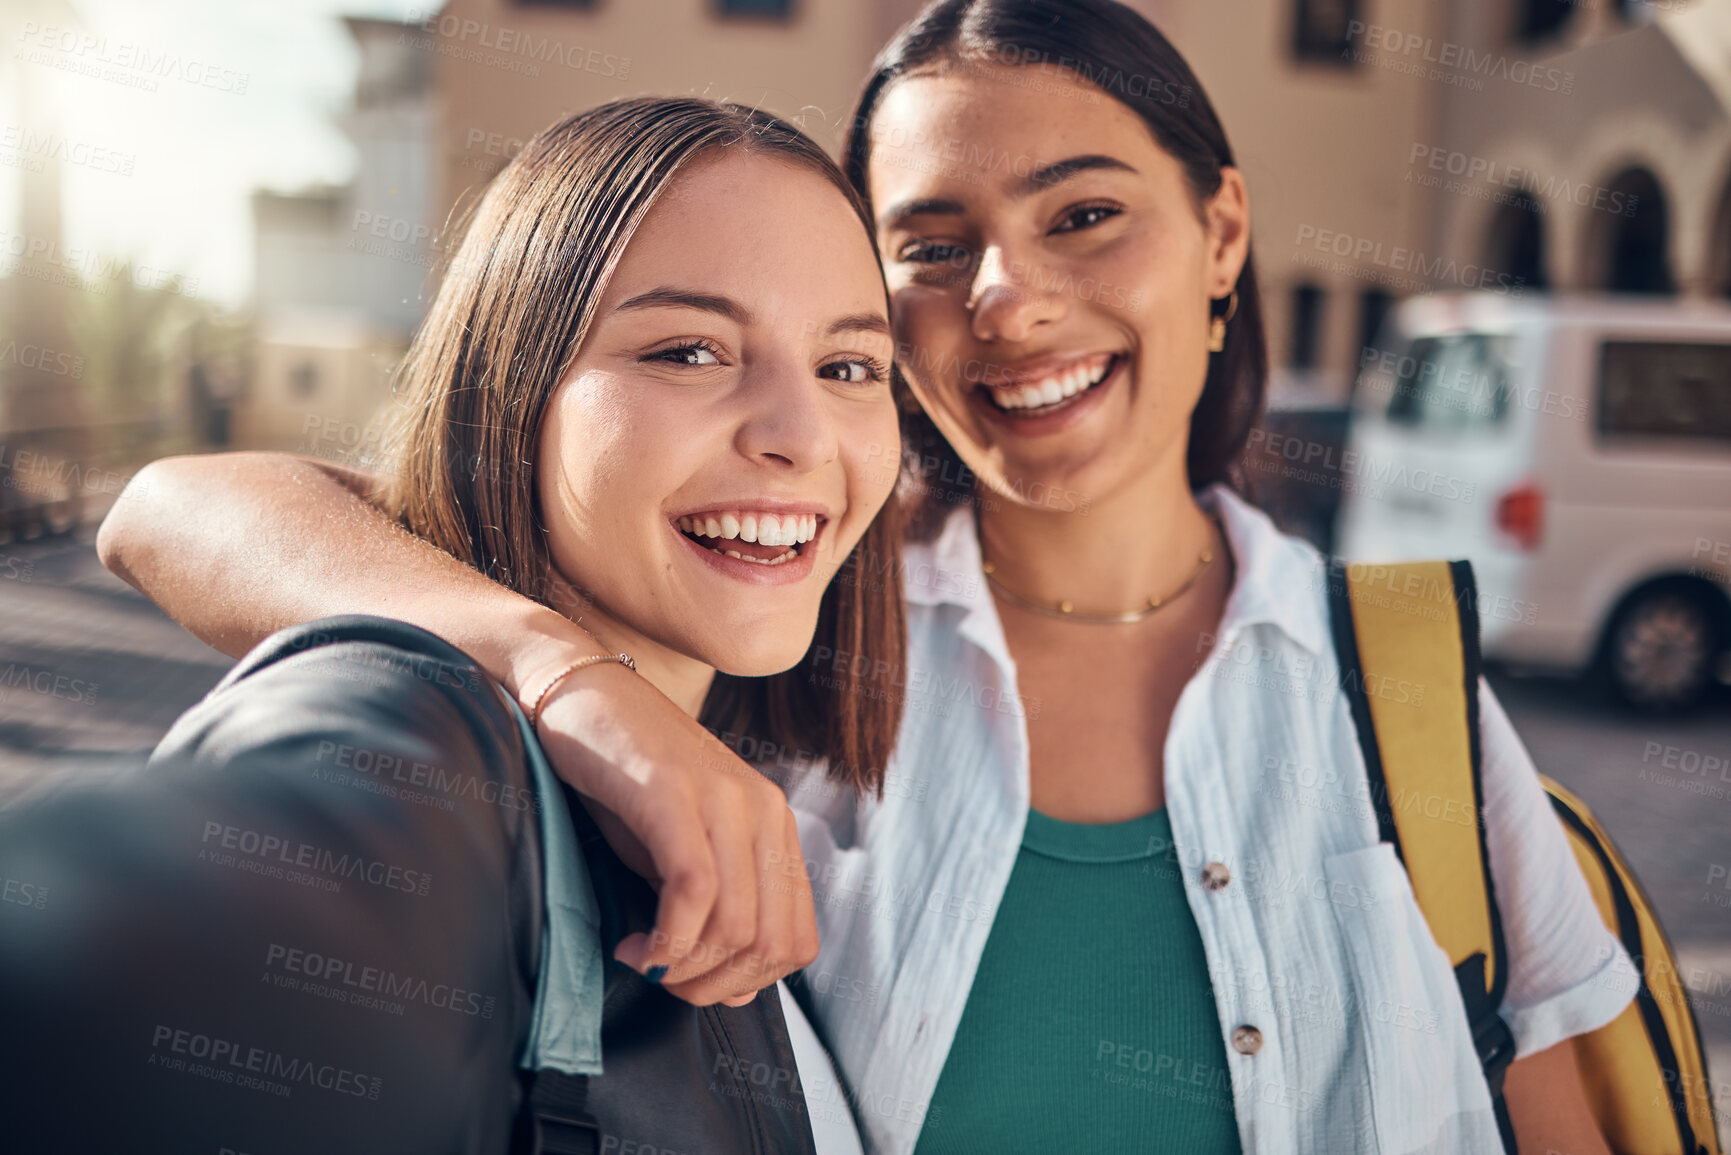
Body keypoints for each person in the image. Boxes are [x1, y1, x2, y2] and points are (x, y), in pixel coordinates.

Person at [98, 2, 1637, 1152]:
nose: (1011, 300)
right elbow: (186, 504)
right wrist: (576, 691)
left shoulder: (1403, 685)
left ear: (1223, 231)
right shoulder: (782, 618)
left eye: (1083, 215)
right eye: (930, 244)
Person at [11, 94, 917, 1153]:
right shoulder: (427, 742)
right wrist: (568, 678)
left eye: (848, 367)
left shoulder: (762, 784)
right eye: (689, 352)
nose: (800, 435)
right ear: (514, 388)